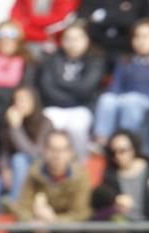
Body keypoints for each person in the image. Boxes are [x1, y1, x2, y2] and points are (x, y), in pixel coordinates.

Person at [9, 130, 92, 233]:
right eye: (53, 149)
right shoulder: (34, 172)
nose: (57, 155)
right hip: (37, 226)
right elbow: (22, 207)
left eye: (62, 150)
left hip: (64, 228)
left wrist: (53, 222)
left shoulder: (80, 177)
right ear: (45, 151)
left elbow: (80, 214)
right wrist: (33, 222)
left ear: (70, 153)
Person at [92, 20, 149, 146]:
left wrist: (133, 98)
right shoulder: (125, 61)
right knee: (107, 99)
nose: (141, 41)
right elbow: (115, 87)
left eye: (146, 36)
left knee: (131, 101)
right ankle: (101, 140)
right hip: (125, 99)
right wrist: (120, 97)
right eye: (137, 36)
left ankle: (127, 142)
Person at [0, 85, 53, 214]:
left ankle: (15, 205)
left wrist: (16, 128)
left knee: (19, 159)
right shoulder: (9, 121)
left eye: (25, 100)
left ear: (34, 102)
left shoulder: (45, 123)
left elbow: (34, 154)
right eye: (17, 100)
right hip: (13, 173)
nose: (20, 104)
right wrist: (5, 170)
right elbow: (4, 152)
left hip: (37, 173)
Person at [37, 20, 104, 158]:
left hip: (82, 107)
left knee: (77, 127)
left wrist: (60, 83)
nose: (73, 43)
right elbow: (47, 87)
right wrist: (72, 91)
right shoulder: (52, 58)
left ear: (86, 40)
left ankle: (81, 164)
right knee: (45, 125)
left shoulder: (95, 59)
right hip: (54, 106)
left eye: (77, 38)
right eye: (68, 39)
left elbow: (86, 88)